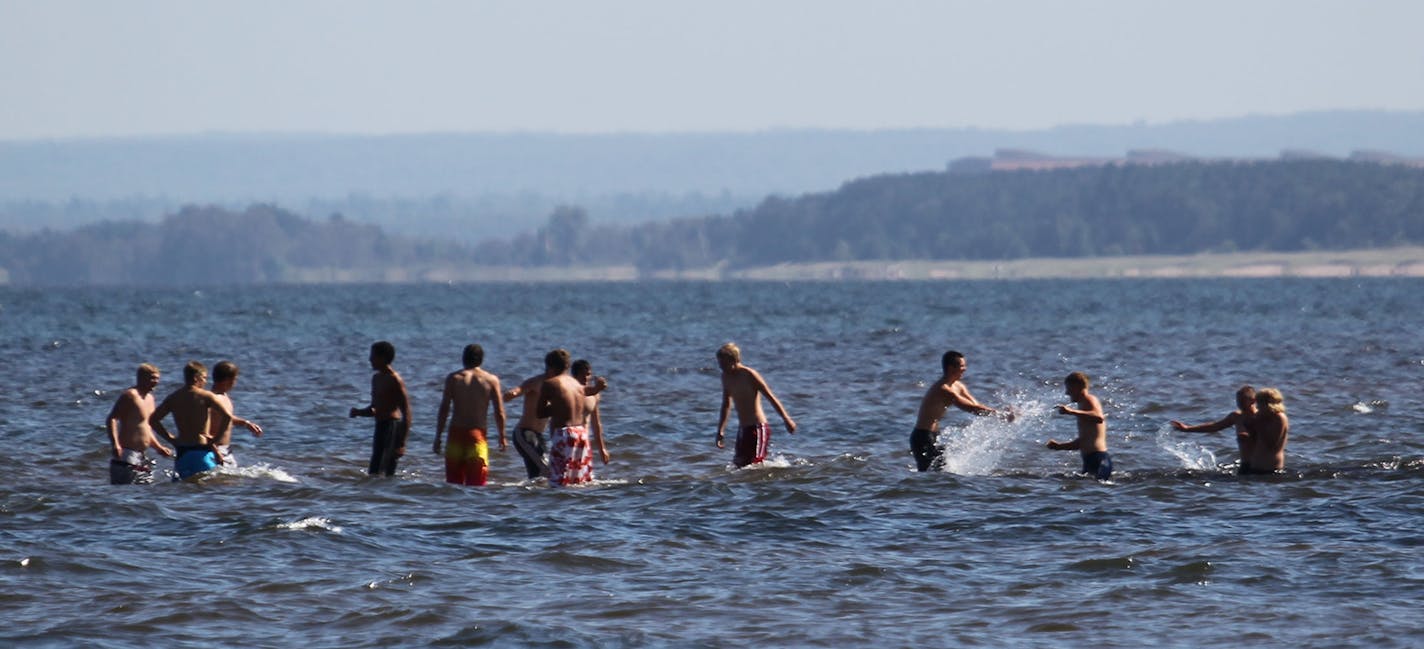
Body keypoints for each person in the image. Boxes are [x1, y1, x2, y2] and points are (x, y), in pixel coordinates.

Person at [504, 352, 607, 481]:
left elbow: (583, 392)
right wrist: (511, 394)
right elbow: (518, 389)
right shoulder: (537, 381)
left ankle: (533, 496)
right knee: (546, 470)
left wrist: (597, 389)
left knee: (539, 474)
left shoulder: (563, 383)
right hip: (525, 433)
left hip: (540, 436)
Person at [909, 350, 1015, 472]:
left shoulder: (958, 386)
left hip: (933, 436)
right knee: (930, 476)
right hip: (922, 437)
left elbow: (975, 404)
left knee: (940, 474)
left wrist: (1001, 412)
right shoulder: (944, 389)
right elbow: (970, 408)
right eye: (962, 366)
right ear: (951, 368)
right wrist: (1002, 415)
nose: (965, 369)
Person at [433, 344, 507, 486]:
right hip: (477, 435)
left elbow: (444, 409)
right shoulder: (491, 380)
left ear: (463, 359)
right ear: (481, 360)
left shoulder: (454, 378)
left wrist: (438, 437)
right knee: (477, 486)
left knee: (453, 485)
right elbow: (499, 411)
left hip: (455, 435)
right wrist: (502, 436)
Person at [714, 342, 797, 468]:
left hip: (758, 427)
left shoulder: (750, 375)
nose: (721, 367)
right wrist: (721, 430)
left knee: (755, 465)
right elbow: (726, 404)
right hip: (743, 429)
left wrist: (786, 419)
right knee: (739, 465)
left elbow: (771, 397)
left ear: (733, 360)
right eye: (720, 364)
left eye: (724, 364)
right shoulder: (726, 377)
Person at [149, 361, 234, 480]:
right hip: (201, 452)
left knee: (183, 489)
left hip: (182, 452)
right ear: (196, 378)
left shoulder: (174, 397)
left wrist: (171, 439)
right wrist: (215, 439)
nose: (205, 382)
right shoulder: (205, 396)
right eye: (204, 378)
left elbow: (153, 420)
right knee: (207, 490)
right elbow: (227, 416)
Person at [349, 341, 412, 477]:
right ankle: (375, 496)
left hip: (392, 428)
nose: (370, 359)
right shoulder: (376, 378)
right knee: (374, 470)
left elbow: (406, 412)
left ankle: (390, 495)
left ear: (383, 358)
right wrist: (359, 412)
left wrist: (402, 443)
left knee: (384, 473)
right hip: (380, 427)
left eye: (373, 356)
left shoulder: (395, 380)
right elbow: (375, 408)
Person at [106, 363, 174, 484]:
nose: (156, 382)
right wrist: (115, 444)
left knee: (145, 495)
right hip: (126, 454)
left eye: (157, 378)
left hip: (142, 456)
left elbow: (147, 427)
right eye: (152, 378)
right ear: (141, 378)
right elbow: (112, 419)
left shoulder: (150, 398)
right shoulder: (130, 395)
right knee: (125, 492)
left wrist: (159, 447)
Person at [536, 349, 596, 486]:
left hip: (564, 434)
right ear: (568, 366)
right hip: (581, 433)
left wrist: (558, 406)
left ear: (550, 367)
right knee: (580, 482)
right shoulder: (577, 385)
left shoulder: (550, 384)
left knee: (558, 483)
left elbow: (539, 413)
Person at [1170, 385, 1257, 473]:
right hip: (1245, 464)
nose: (1240, 405)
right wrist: (1187, 428)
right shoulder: (1236, 417)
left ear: (1253, 400)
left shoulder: (1262, 417)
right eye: (1238, 401)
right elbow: (1215, 426)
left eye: (1242, 401)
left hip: (1261, 464)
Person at [1046, 371, 1112, 480]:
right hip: (1090, 459)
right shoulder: (1082, 405)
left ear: (1077, 387)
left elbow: (1099, 417)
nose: (1067, 393)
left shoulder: (1089, 399)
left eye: (1069, 389)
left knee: (1095, 489)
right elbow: (1084, 441)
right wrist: (1059, 446)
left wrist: (1071, 412)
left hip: (1098, 459)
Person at [207, 361, 264, 468]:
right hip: (215, 450)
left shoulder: (224, 396)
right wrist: (215, 450)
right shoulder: (212, 399)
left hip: (225, 449)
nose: (235, 382)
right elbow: (201, 428)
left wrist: (246, 423)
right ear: (227, 380)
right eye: (235, 379)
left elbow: (225, 417)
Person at [572, 359, 611, 468]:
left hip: (584, 441)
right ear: (575, 376)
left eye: (588, 374)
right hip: (570, 440)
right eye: (582, 375)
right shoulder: (570, 392)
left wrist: (602, 449)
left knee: (584, 479)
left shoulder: (594, 395)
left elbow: (596, 423)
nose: (585, 378)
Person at [1242, 387, 1290, 474]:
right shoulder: (1264, 417)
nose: (1257, 407)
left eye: (1259, 404)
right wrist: (1249, 429)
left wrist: (1258, 424)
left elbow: (1271, 444)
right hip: (1255, 467)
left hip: (1270, 469)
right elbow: (1257, 440)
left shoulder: (1279, 418)